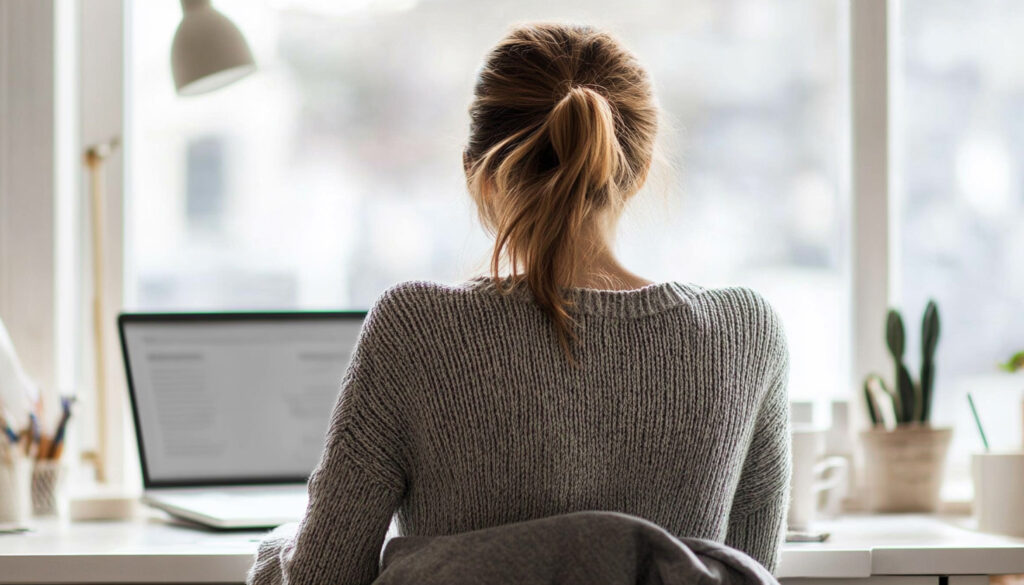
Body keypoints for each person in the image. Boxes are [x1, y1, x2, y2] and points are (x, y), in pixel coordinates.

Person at [248, 22, 791, 585]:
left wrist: (276, 551)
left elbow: (320, 577)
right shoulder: (745, 335)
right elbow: (749, 573)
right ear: (640, 171)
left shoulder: (415, 330)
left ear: (476, 174)